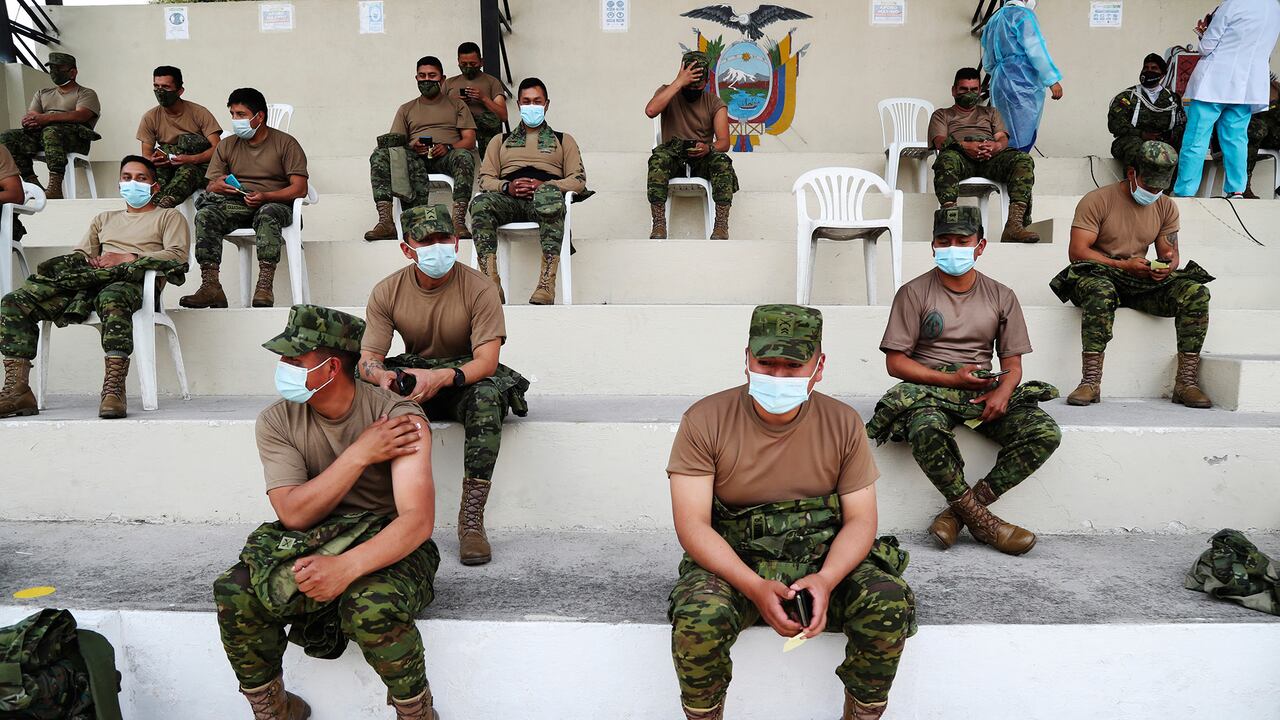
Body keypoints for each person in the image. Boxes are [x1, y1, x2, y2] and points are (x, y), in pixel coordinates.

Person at [667, 304, 916, 720]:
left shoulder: (843, 423)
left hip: (821, 561)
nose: (778, 377)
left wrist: (825, 579)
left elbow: (861, 521)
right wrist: (753, 586)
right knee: (698, 616)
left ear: (819, 367)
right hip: (736, 564)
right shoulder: (704, 420)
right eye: (766, 363)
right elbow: (693, 525)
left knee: (887, 601)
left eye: (793, 365)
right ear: (747, 359)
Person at [212, 304, 441, 720]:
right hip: (315, 538)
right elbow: (293, 513)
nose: (283, 366)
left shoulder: (398, 417)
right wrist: (359, 455)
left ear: (332, 367)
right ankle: (275, 709)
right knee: (235, 588)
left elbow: (416, 521)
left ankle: (417, 712)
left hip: (390, 546)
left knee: (369, 603)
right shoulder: (277, 421)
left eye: (294, 359)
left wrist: (345, 568)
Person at [869, 206, 1060, 556]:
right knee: (924, 428)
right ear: (932, 245)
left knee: (1044, 432)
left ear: (981, 245)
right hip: (929, 392)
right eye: (945, 240)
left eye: (963, 240)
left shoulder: (1001, 295)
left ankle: (957, 514)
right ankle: (984, 523)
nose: (953, 247)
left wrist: (1003, 392)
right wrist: (949, 377)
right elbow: (895, 363)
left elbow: (1013, 366)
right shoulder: (913, 293)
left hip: (980, 390)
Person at [357, 204, 530, 567]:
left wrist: (442, 377)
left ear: (455, 241)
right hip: (415, 379)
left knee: (486, 397)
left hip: (462, 380)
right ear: (407, 249)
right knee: (363, 393)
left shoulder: (480, 287)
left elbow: (486, 361)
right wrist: (384, 377)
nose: (438, 247)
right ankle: (379, 513)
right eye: (427, 240)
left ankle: (471, 521)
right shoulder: (387, 290)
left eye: (444, 238)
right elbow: (369, 357)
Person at [0, 156, 190, 419]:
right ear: (119, 183)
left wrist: (128, 258)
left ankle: (113, 389)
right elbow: (81, 253)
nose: (132, 183)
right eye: (126, 178)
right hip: (88, 284)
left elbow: (178, 255)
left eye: (141, 178)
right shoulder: (104, 219)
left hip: (133, 285)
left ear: (154, 187)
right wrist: (90, 261)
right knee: (15, 301)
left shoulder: (168, 217)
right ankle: (17, 390)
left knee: (112, 296)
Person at [1052, 141, 1214, 409]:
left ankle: (1186, 382)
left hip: (1138, 277)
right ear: (1131, 174)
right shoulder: (1098, 200)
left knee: (1196, 291)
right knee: (1099, 290)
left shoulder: (1166, 206)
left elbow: (1169, 252)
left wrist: (1166, 266)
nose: (1153, 192)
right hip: (1100, 273)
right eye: (1149, 185)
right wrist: (1122, 266)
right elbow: (1077, 252)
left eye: (1159, 187)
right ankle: (1090, 381)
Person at [180, 87, 309, 310]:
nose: (235, 120)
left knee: (267, 212)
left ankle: (264, 286)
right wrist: (217, 185)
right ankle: (211, 285)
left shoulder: (286, 143)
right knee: (206, 214)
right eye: (232, 114)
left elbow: (300, 188)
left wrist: (266, 196)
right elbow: (211, 183)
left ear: (259, 116)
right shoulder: (227, 145)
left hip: (276, 206)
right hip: (239, 205)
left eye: (241, 115)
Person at [471, 77, 588, 305]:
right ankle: (490, 283)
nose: (531, 106)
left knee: (550, 197)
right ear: (519, 105)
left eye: (537, 101)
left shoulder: (564, 141)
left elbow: (578, 180)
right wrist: (507, 187)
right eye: (526, 101)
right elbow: (485, 179)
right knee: (480, 203)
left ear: (546, 105)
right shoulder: (500, 141)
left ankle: (546, 285)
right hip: (509, 201)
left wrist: (546, 186)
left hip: (545, 203)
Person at [1173, 0, 1280, 198]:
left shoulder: (1232, 4)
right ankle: (1236, 189)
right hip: (1246, 85)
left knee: (1197, 138)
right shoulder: (1274, 7)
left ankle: (1184, 192)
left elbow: (1207, 47)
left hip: (1215, 81)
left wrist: (1203, 32)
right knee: (1237, 139)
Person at [365, 56, 478, 242]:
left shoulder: (457, 105)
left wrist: (448, 147)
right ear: (416, 78)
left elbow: (469, 140)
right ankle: (386, 221)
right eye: (422, 75)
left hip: (446, 157)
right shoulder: (406, 108)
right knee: (380, 155)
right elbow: (395, 143)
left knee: (464, 156)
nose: (427, 80)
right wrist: (411, 146)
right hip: (415, 158)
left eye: (432, 75)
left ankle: (458, 222)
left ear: (442, 79)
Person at [930, 67, 1040, 243]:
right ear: (954, 90)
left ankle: (1014, 225)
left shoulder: (991, 113)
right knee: (946, 158)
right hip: (961, 159)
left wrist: (996, 146)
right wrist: (965, 146)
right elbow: (940, 142)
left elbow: (1002, 138)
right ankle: (951, 223)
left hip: (990, 159)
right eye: (963, 89)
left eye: (974, 89)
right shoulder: (942, 114)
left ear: (980, 90)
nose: (969, 93)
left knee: (1023, 160)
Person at [644, 50, 737, 240]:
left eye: (698, 87)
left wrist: (708, 148)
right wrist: (678, 83)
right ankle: (659, 224)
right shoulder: (667, 92)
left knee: (722, 161)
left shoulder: (714, 102)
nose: (693, 90)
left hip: (701, 158)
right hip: (673, 158)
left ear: (706, 82)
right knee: (657, 159)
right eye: (689, 86)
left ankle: (720, 226)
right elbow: (651, 110)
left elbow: (724, 142)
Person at [0, 52, 101, 200]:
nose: (54, 72)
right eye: (52, 68)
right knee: (7, 137)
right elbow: (33, 115)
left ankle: (55, 187)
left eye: (59, 69)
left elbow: (81, 115)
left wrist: (47, 118)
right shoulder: (43, 93)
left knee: (51, 131)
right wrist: (30, 122)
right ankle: (33, 184)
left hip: (74, 139)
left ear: (73, 72)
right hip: (43, 136)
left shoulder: (86, 93)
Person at [980, 0, 1063, 152]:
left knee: (1003, 131)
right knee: (1022, 134)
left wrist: (1001, 74)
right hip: (1022, 81)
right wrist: (1052, 80)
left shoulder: (994, 19)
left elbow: (987, 61)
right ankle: (1017, 169)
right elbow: (1036, 49)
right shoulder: (1023, 15)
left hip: (999, 82)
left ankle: (1006, 167)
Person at [136, 65, 222, 208]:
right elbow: (146, 154)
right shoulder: (150, 117)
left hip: (200, 168)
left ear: (180, 91)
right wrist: (153, 160)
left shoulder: (199, 113)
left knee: (187, 170)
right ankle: (148, 207)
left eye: (165, 87)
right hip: (167, 166)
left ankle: (163, 205)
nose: (160, 91)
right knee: (150, 173)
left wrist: (192, 158)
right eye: (156, 86)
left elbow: (218, 147)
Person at [1109, 54, 1185, 171]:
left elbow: (1181, 125)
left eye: (1154, 68)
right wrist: (1142, 134)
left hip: (1163, 141)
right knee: (1137, 148)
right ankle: (1136, 185)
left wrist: (1166, 136)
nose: (1148, 71)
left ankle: (1169, 188)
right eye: (1146, 68)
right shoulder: (1128, 96)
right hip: (1131, 140)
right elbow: (1115, 125)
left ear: (1162, 74)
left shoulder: (1173, 99)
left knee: (1182, 149)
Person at [446, 42, 508, 159]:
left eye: (473, 63)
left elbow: (503, 116)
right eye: (464, 64)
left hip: (485, 133)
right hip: (457, 131)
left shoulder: (492, 82)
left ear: (481, 62)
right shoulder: (449, 83)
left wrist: (483, 98)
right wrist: (454, 103)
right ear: (458, 62)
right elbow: (438, 112)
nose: (468, 67)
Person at [1242, 77, 1280, 198]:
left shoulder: (1275, 87)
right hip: (1249, 135)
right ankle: (1243, 186)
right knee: (1258, 129)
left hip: (1271, 135)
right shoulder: (1244, 84)